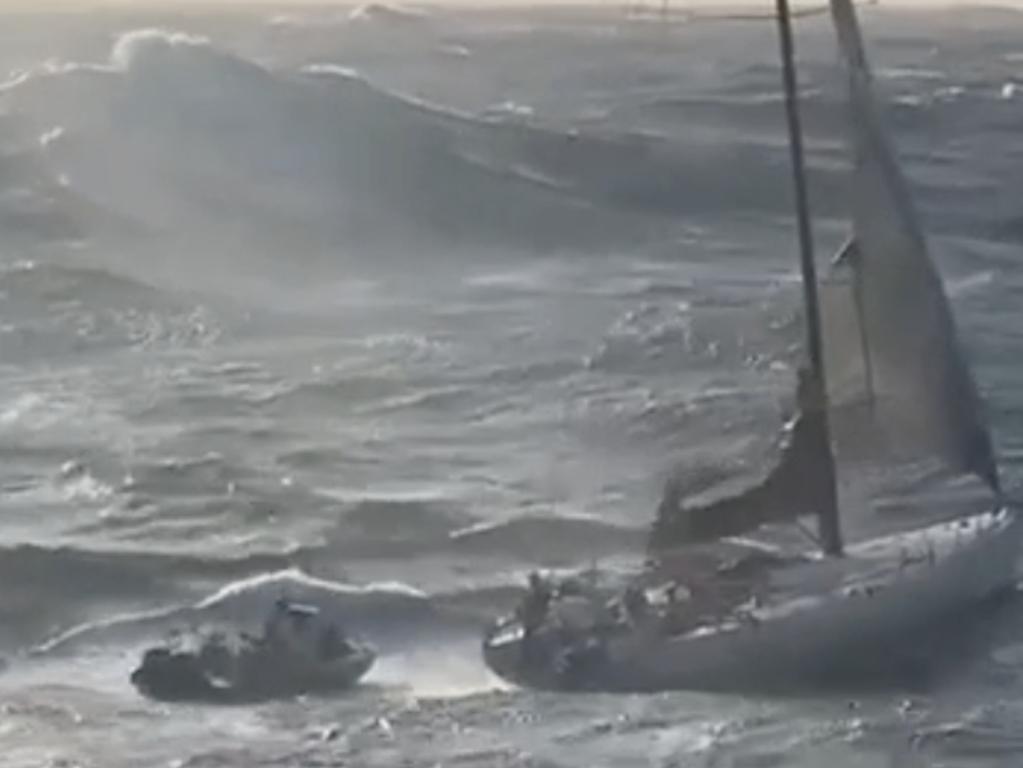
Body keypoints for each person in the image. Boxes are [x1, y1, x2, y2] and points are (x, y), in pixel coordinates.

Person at [651, 367, 835, 551]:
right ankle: (682, 528)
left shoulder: (814, 427)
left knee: (758, 506)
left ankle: (682, 527)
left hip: (794, 491)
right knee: (756, 507)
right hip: (789, 493)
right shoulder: (808, 428)